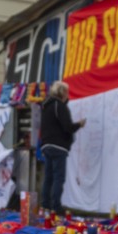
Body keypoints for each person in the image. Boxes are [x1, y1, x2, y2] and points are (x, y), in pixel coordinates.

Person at [40, 81, 85, 215]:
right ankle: (56, 207)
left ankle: (45, 205)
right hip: (58, 146)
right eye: (66, 92)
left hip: (47, 145)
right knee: (59, 177)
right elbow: (67, 127)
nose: (68, 95)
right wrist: (79, 124)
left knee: (48, 177)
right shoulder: (59, 106)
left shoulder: (46, 106)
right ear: (62, 93)